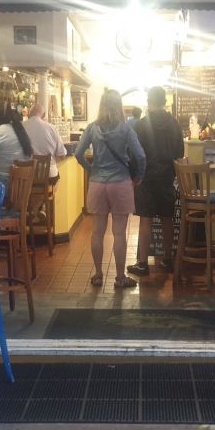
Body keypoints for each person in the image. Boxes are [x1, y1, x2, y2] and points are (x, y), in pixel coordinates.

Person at [74, 89, 147, 289]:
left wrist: (91, 170)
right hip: (120, 183)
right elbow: (140, 156)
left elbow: (78, 153)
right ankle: (120, 277)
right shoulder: (126, 129)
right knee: (119, 233)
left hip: (97, 184)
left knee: (97, 232)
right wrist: (139, 177)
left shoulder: (92, 128)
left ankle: (98, 275)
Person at [127, 86, 183, 276]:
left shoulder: (141, 125)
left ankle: (143, 264)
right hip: (167, 177)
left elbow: (134, 153)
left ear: (149, 102)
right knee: (167, 219)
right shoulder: (174, 124)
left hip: (146, 177)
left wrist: (134, 175)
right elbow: (180, 153)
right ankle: (167, 260)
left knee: (146, 219)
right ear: (164, 102)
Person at [23, 103, 67, 181]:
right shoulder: (52, 128)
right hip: (48, 176)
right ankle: (50, 190)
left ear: (29, 113)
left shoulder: (20, 127)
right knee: (55, 175)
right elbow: (62, 155)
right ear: (43, 115)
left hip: (25, 177)